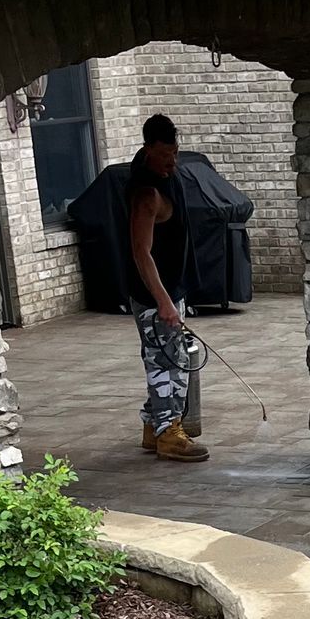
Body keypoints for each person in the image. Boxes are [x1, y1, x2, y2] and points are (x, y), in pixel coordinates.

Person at [127, 113, 208, 464]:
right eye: (163, 155)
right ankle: (167, 433)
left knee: (173, 356)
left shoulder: (166, 172)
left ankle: (153, 426)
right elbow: (141, 253)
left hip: (172, 287)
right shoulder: (146, 194)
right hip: (152, 295)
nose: (171, 162)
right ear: (148, 151)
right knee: (163, 364)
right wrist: (163, 302)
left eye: (175, 153)